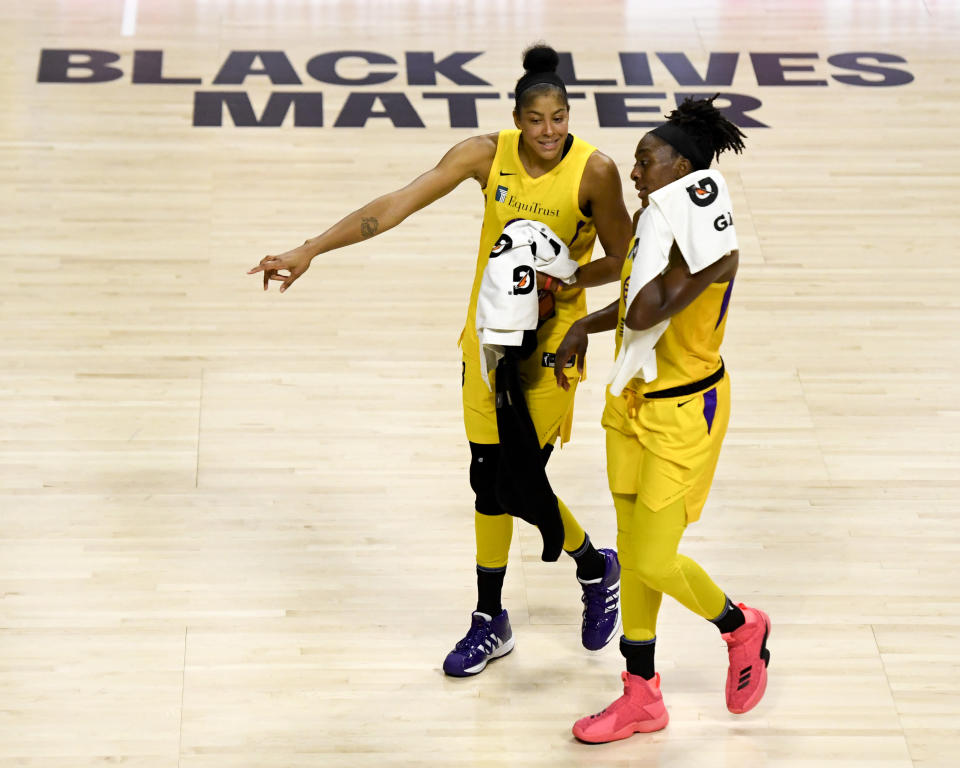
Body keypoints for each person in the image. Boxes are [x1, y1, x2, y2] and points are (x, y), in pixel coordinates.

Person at [248, 44, 633, 677]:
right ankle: (510, 611)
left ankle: (585, 572)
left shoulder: (596, 172)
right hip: (484, 342)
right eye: (535, 120)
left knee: (513, 481)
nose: (548, 131)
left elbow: (622, 257)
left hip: (549, 351)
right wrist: (310, 248)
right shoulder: (484, 155)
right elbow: (396, 204)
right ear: (516, 118)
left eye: (559, 118)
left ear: (570, 115)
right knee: (489, 478)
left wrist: (566, 280)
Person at [552, 96, 771, 743]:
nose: (634, 173)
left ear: (682, 167)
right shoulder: (663, 224)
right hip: (633, 403)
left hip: (685, 412)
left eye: (646, 162)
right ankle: (641, 694)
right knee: (632, 542)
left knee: (651, 558)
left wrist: (658, 232)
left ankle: (740, 626)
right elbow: (627, 305)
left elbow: (647, 311)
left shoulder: (706, 250)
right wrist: (584, 325)